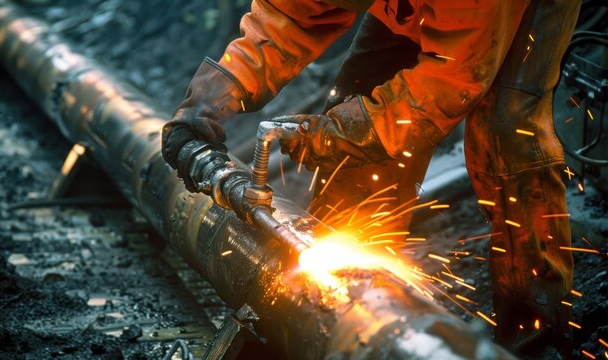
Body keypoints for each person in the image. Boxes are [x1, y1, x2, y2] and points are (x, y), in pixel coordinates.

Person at [161, 0, 580, 358]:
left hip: (504, 14)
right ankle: (335, 312)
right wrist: (215, 94)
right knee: (359, 98)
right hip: (411, 9)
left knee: (507, 138)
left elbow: (450, 82)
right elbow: (291, 15)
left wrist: (347, 132)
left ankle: (536, 328)